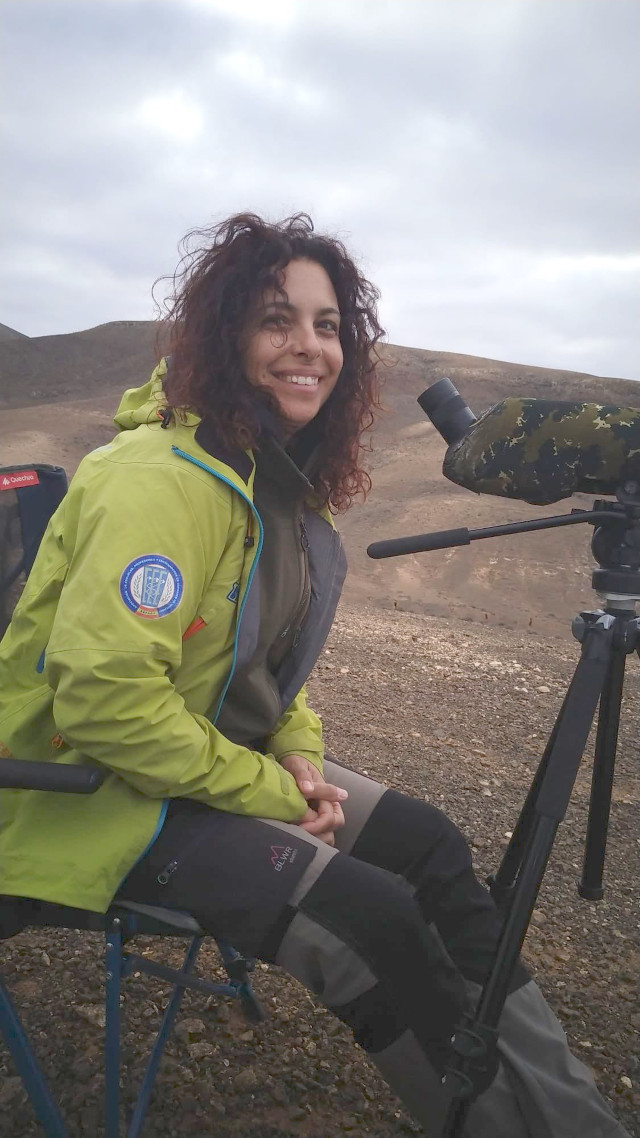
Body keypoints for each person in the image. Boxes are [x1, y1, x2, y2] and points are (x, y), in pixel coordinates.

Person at [0, 213, 628, 1138]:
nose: (308, 346)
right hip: (81, 799)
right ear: (225, 337)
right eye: (275, 320)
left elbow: (263, 663)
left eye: (327, 325)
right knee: (369, 921)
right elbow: (106, 701)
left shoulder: (266, 481)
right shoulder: (157, 479)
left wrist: (294, 757)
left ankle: (569, 1113)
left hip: (196, 770)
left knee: (429, 847)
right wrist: (266, 788)